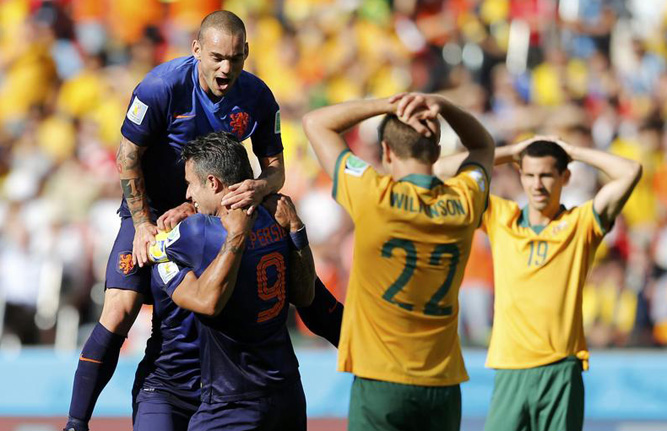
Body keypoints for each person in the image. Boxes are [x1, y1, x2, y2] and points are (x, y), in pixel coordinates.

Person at [65, 10, 284, 431]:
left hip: (209, 212)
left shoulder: (257, 96)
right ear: (196, 49)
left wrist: (258, 188)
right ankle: (76, 422)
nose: (226, 68)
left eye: (236, 58)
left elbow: (276, 171)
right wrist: (142, 224)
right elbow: (127, 156)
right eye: (217, 57)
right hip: (148, 208)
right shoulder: (160, 87)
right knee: (120, 309)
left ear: (247, 53)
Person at [302, 92, 495, 431]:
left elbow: (315, 122)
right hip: (442, 381)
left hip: (381, 378)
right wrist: (443, 105)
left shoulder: (372, 194)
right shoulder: (464, 199)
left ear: (387, 151)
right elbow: (482, 145)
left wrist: (388, 104)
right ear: (437, 151)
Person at [440, 136, 642, 431]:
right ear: (520, 176)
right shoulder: (501, 217)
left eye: (546, 175)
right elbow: (439, 172)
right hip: (511, 368)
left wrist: (573, 150)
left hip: (561, 368)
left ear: (565, 177)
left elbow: (631, 171)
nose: (537, 185)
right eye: (530, 175)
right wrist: (512, 152)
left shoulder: (580, 224)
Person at [153, 131, 314, 431]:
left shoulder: (197, 231)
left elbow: (158, 252)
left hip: (232, 400)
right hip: (288, 391)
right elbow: (305, 296)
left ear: (213, 182)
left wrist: (169, 227)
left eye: (190, 184)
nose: (187, 195)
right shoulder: (276, 216)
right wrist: (297, 229)